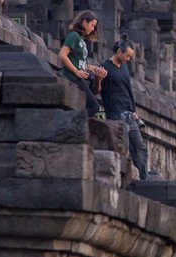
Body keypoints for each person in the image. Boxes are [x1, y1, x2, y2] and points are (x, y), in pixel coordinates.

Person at [99, 34, 149, 181]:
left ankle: (144, 178)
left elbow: (128, 90)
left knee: (140, 147)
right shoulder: (105, 67)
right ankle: (119, 179)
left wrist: (134, 111)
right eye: (127, 56)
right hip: (115, 114)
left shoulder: (125, 68)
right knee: (121, 147)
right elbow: (99, 90)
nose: (128, 59)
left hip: (129, 114)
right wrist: (98, 80)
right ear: (119, 52)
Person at [58, 10, 107, 117]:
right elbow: (62, 54)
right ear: (84, 22)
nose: (93, 29)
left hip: (79, 77)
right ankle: (69, 120)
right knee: (94, 107)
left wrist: (92, 68)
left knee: (88, 104)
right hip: (71, 76)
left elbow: (79, 62)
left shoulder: (81, 40)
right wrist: (76, 71)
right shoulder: (74, 35)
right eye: (92, 25)